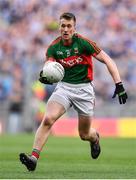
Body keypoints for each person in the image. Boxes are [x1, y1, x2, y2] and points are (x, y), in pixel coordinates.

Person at [19, 12, 128, 171]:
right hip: (64, 87)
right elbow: (49, 67)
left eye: (69, 26)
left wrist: (119, 84)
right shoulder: (54, 48)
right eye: (63, 25)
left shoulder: (84, 43)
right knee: (48, 118)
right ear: (59, 27)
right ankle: (34, 157)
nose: (65, 29)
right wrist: (45, 75)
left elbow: (107, 60)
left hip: (84, 90)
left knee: (84, 134)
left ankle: (95, 139)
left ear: (74, 28)